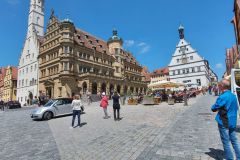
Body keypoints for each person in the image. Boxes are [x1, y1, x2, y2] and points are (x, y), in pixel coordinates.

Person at [211, 79, 240, 160]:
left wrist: (214, 106)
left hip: (224, 122)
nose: (218, 87)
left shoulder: (223, 96)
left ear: (222, 86)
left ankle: (230, 158)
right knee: (234, 141)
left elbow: (214, 108)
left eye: (219, 85)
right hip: (233, 121)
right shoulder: (233, 96)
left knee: (226, 142)